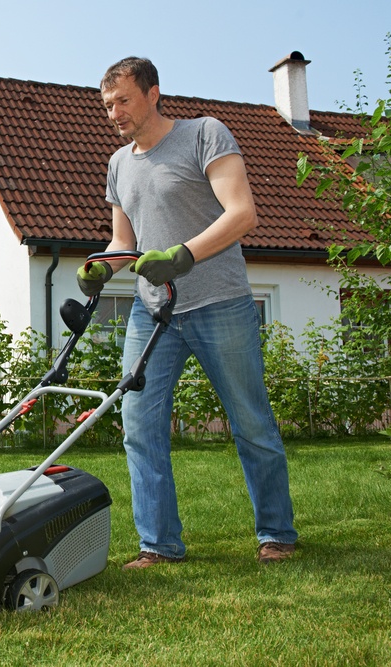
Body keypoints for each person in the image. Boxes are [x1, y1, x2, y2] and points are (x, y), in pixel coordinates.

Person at [77, 57, 298, 569]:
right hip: (153, 312)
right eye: (108, 105)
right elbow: (123, 241)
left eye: (124, 100)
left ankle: (277, 533)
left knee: (250, 421)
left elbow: (242, 212)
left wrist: (183, 255)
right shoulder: (117, 164)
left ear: (154, 94)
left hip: (220, 301)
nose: (114, 113)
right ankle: (158, 544)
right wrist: (102, 268)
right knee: (139, 425)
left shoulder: (204, 134)